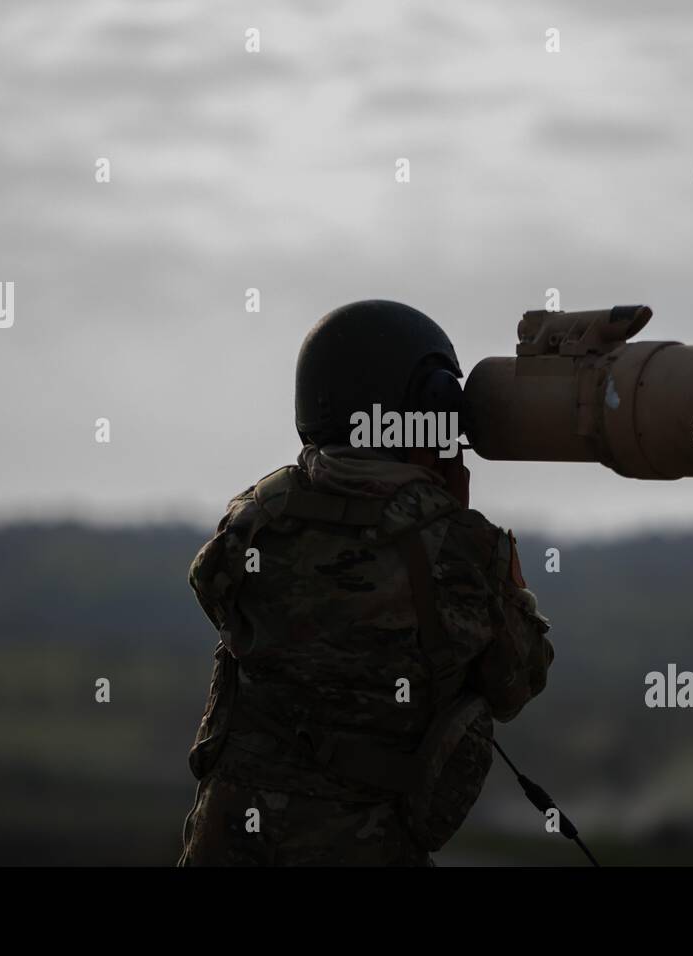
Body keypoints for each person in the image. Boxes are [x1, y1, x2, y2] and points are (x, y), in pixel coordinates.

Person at [179, 300, 553, 865]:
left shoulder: (257, 518)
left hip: (229, 843)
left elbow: (213, 591)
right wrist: (478, 547)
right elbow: (517, 680)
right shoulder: (461, 547)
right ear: (428, 404)